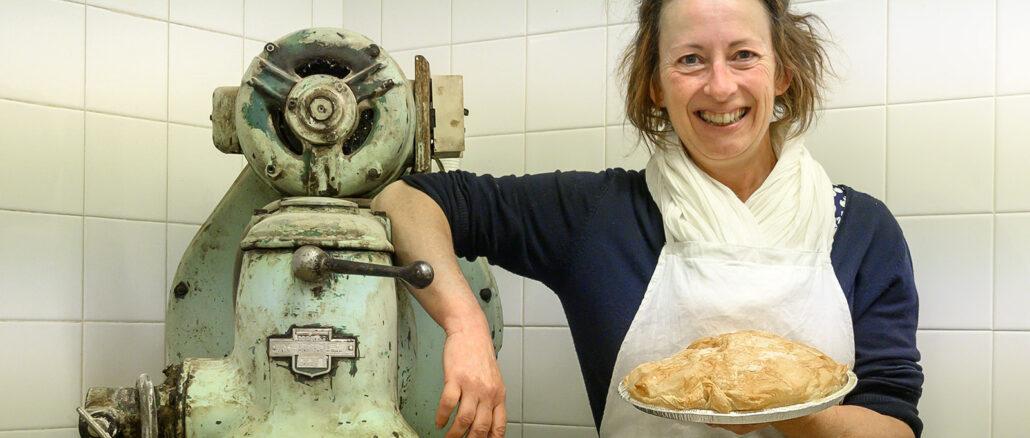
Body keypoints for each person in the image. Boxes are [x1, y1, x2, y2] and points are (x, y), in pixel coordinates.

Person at [371, 0, 923, 436]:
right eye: (690, 59)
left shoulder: (860, 229)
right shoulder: (598, 216)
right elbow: (407, 201)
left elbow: (892, 425)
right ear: (656, 85)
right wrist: (464, 326)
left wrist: (772, 403)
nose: (720, 86)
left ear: (782, 73)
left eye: (744, 55)